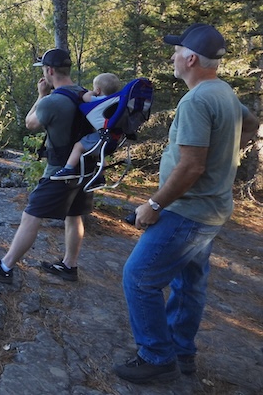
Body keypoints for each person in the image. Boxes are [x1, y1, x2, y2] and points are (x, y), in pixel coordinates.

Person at [114, 23, 259, 384]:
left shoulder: (197, 100)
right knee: (189, 284)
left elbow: (191, 166)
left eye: (177, 51)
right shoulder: (223, 91)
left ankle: (157, 357)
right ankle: (181, 352)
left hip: (186, 212)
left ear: (191, 58)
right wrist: (227, 153)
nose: (172, 56)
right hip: (211, 210)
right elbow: (252, 122)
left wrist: (153, 205)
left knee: (138, 278)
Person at [0, 48, 95, 284]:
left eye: (44, 71)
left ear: (49, 71)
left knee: (31, 216)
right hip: (85, 166)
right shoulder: (84, 93)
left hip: (60, 171)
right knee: (74, 215)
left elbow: (31, 123)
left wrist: (41, 95)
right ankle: (69, 265)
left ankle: (5, 267)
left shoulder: (53, 101)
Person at [51, 72, 121, 180]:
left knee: (78, 146)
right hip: (113, 139)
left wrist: (92, 92)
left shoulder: (101, 100)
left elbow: (85, 97)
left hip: (102, 137)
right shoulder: (117, 102)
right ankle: (100, 177)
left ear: (98, 90)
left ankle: (68, 168)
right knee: (99, 154)